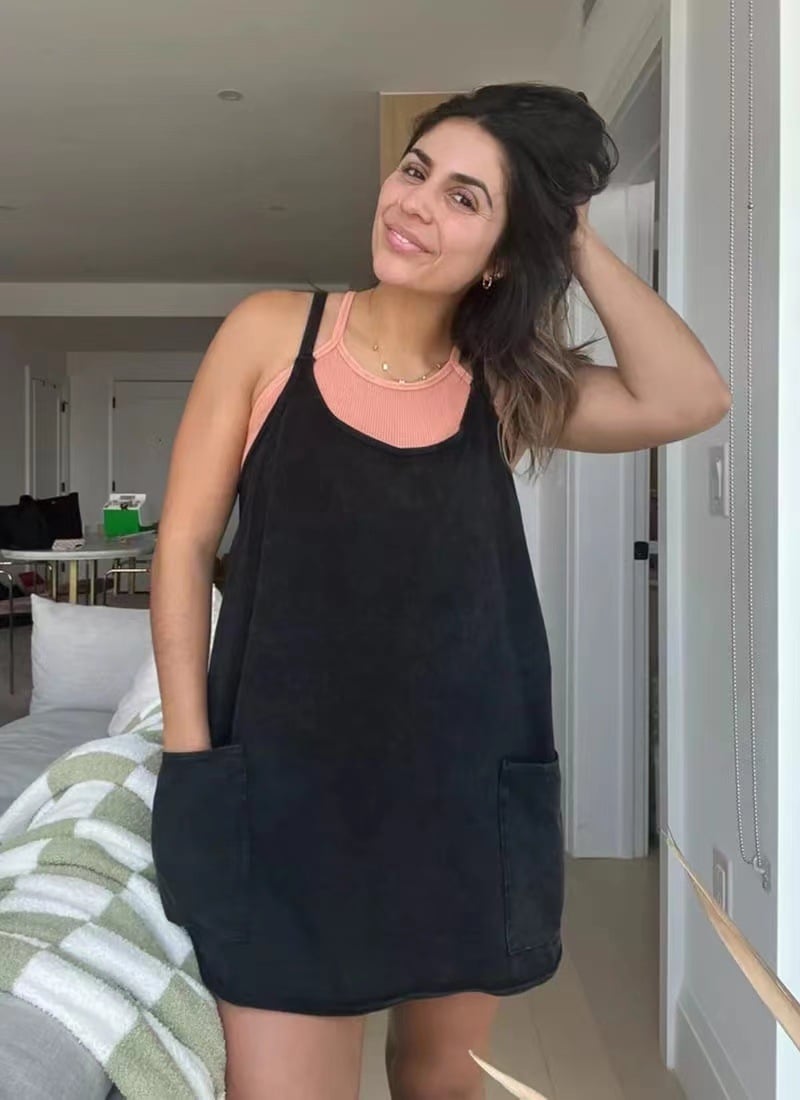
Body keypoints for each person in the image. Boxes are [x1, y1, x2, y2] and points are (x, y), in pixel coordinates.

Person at [149, 83, 731, 1100]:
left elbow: (689, 396)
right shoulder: (272, 333)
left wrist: (573, 236)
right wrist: (191, 762)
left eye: (466, 198)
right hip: (281, 796)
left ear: (502, 253)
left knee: (437, 1086)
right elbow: (185, 548)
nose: (416, 203)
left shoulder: (501, 382)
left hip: (460, 798)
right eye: (415, 170)